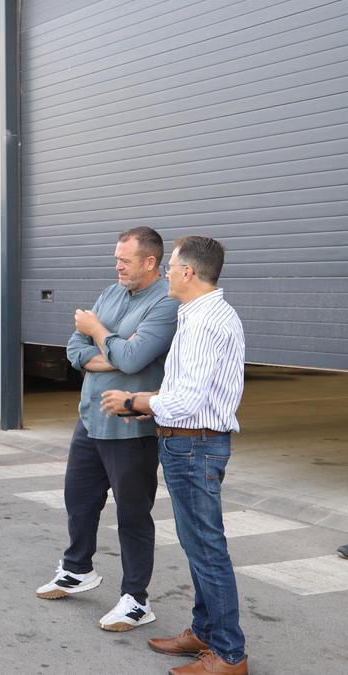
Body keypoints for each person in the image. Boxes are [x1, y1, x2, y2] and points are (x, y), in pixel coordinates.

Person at [101, 235, 248, 674]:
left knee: (205, 547)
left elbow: (187, 401)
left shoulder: (205, 321)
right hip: (189, 439)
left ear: (187, 272)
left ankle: (228, 654)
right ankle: (205, 631)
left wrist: (135, 402)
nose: (165, 272)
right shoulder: (201, 313)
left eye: (171, 267)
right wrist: (153, 406)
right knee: (198, 543)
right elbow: (185, 393)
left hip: (195, 444)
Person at [36, 227, 178, 634]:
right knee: (79, 502)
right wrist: (113, 352)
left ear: (150, 262)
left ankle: (136, 600)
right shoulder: (110, 293)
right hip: (90, 419)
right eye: (116, 257)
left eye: (126, 260)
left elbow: (134, 359)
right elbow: (73, 351)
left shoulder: (165, 304)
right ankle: (77, 569)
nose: (117, 265)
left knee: (133, 515)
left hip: (131, 430)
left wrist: (99, 333)